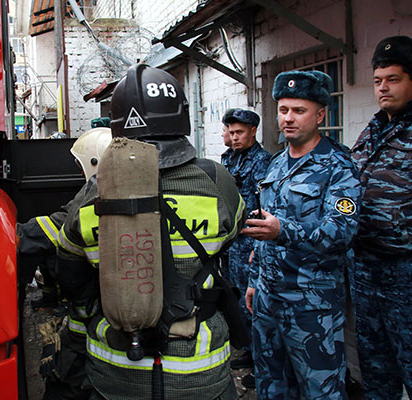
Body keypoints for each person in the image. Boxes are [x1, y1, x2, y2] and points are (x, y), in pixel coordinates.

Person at [56, 64, 246, 399]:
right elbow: (233, 236)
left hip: (117, 371)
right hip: (199, 374)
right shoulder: (216, 181)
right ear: (181, 119)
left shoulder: (93, 192)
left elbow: (71, 274)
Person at [242, 70, 362, 399]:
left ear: (320, 114)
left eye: (299, 111)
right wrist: (254, 280)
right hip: (268, 299)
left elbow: (340, 233)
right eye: (283, 110)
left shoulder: (338, 166)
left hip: (312, 306)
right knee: (272, 384)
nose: (288, 119)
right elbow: (260, 228)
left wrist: (283, 231)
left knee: (320, 390)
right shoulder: (276, 165)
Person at [349, 35, 412, 400]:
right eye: (378, 80)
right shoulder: (373, 129)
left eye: (393, 79)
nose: (382, 88)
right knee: (376, 368)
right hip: (366, 270)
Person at [16, 127, 112, 400]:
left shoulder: (92, 197)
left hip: (94, 317)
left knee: (64, 381)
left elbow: (49, 230)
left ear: (94, 162)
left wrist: (9, 233)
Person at [221, 109, 271, 387]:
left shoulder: (263, 162)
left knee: (253, 304)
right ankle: (250, 352)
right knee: (237, 298)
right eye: (232, 132)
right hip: (231, 241)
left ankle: (261, 365)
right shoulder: (229, 158)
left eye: (240, 132)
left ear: (253, 131)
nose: (235, 137)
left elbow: (262, 204)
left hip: (250, 240)